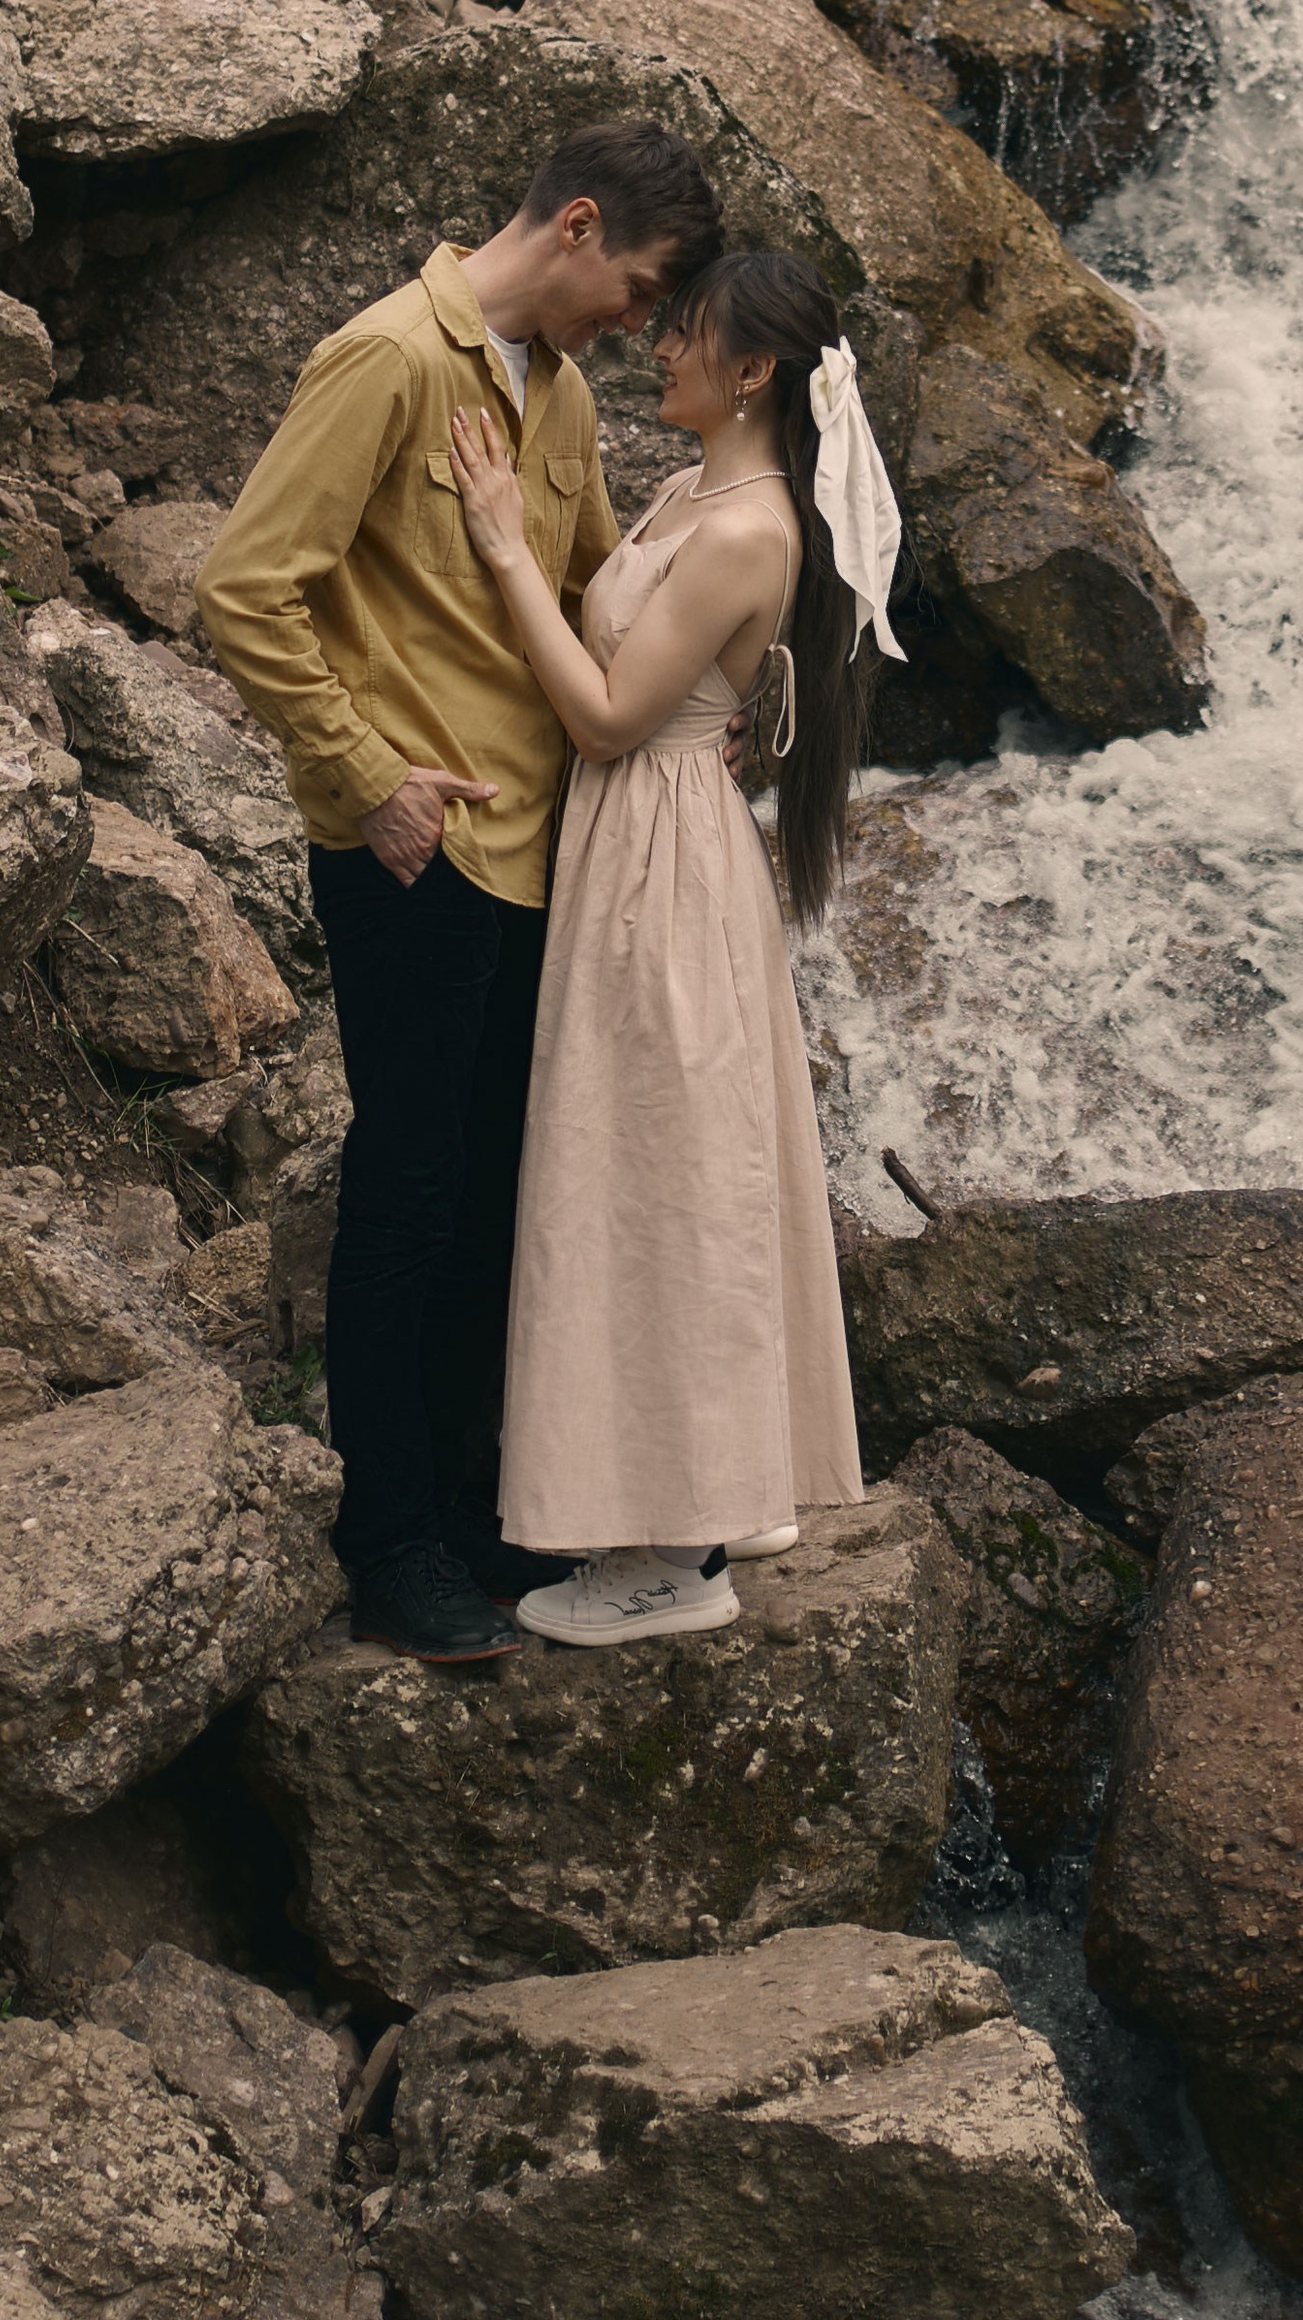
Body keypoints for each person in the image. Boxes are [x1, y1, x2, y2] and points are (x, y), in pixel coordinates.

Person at [195, 124, 724, 1664]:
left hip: (538, 853)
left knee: (500, 1192)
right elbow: (243, 583)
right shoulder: (384, 359)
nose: (633, 328)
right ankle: (389, 1542)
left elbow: (585, 593)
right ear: (573, 225)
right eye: (630, 290)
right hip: (413, 853)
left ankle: (478, 1508)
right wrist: (365, 775)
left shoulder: (551, 394)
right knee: (410, 1193)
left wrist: (708, 691)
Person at [444, 246, 899, 1645]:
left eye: (683, 336)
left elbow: (605, 714)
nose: (659, 349)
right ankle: (703, 1489)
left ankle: (672, 1556)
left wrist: (505, 542)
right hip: (641, 849)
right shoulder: (695, 492)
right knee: (649, 1168)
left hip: (659, 860)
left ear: (751, 370)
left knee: (655, 1179)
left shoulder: (753, 529)